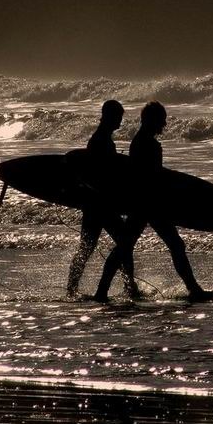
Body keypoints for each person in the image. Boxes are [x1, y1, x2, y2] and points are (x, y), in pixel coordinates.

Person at [94, 101, 213, 302]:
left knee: (127, 246)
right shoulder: (147, 144)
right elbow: (153, 178)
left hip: (145, 203)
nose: (164, 125)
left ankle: (101, 292)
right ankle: (194, 290)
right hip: (149, 205)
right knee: (139, 246)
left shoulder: (139, 141)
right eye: (161, 120)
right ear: (152, 120)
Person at [66, 100, 139, 298]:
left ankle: (72, 289)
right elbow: (100, 175)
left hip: (95, 203)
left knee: (88, 247)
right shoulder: (101, 141)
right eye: (118, 117)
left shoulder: (101, 139)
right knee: (123, 242)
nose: (120, 122)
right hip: (101, 204)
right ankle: (128, 287)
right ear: (109, 117)